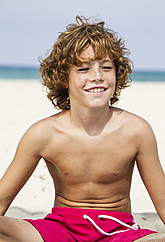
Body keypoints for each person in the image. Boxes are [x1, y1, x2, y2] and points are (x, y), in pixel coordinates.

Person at [0, 16, 165, 242]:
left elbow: (163, 205)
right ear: (63, 78)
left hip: (118, 231)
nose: (96, 77)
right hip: (60, 229)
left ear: (117, 73)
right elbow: (2, 200)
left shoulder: (136, 130)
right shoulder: (43, 134)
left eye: (106, 67)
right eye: (83, 69)